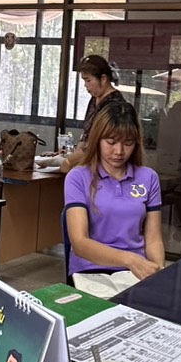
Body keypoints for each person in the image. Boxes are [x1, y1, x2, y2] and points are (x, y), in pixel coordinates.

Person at [63, 101, 165, 283]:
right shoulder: (77, 177)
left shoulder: (148, 178)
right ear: (97, 140)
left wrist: (157, 269)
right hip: (89, 272)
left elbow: (154, 239)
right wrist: (130, 259)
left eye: (128, 143)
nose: (119, 151)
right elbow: (79, 243)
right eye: (111, 142)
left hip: (134, 272)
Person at [60, 54, 126, 172]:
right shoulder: (95, 99)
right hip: (87, 163)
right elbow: (86, 136)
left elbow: (98, 145)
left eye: (88, 80)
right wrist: (73, 158)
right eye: (84, 81)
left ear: (104, 79)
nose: (85, 85)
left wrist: (69, 162)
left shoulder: (115, 105)